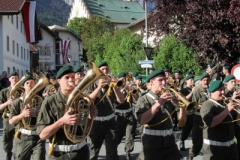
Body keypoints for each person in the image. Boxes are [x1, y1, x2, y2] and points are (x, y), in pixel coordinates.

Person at [37, 65, 97, 160]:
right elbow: (42, 135)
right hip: (60, 155)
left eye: (73, 77)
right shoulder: (49, 101)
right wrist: (62, 121)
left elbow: (84, 127)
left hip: (82, 152)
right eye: (67, 77)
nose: (71, 80)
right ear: (59, 81)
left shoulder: (81, 99)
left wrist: (89, 116)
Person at [135, 70, 185, 160]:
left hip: (170, 143)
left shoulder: (168, 98)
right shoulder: (144, 99)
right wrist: (158, 104)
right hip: (152, 144)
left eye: (165, 80)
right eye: (160, 80)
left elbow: (181, 122)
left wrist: (182, 106)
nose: (164, 83)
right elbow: (142, 120)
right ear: (152, 82)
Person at [84, 61, 125, 160]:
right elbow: (87, 101)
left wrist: (115, 87)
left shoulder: (111, 84)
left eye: (107, 69)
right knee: (93, 152)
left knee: (112, 153)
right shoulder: (91, 84)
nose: (105, 72)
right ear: (98, 71)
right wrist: (99, 87)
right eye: (103, 69)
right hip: (95, 123)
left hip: (110, 122)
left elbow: (121, 100)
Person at [9, 73, 46, 160]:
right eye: (27, 83)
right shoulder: (18, 102)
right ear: (23, 86)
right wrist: (22, 115)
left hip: (38, 137)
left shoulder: (40, 100)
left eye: (32, 83)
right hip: (23, 137)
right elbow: (11, 121)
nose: (30, 85)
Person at [201, 80, 240, 160]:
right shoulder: (207, 104)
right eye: (220, 90)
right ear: (212, 91)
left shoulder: (225, 104)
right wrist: (226, 111)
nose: (223, 92)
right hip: (215, 149)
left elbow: (238, 122)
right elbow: (211, 123)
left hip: (231, 148)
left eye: (223, 89)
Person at [0, 72, 22, 160]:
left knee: (19, 138)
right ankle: (8, 152)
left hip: (19, 118)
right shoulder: (4, 91)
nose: (15, 80)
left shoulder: (22, 91)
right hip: (8, 117)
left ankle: (17, 155)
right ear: (9, 79)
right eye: (13, 78)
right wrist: (7, 103)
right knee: (7, 137)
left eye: (16, 78)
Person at [115, 72, 137, 160]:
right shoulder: (115, 87)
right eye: (122, 78)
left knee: (130, 134)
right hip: (119, 114)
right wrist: (123, 89)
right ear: (119, 79)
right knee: (118, 135)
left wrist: (133, 92)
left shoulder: (130, 87)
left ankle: (128, 152)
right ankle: (113, 148)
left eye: (125, 78)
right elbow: (116, 102)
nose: (124, 80)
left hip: (129, 114)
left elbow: (136, 100)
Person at [188, 73, 210, 160]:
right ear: (201, 81)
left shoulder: (210, 90)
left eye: (207, 80)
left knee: (208, 140)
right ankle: (191, 155)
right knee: (197, 141)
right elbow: (194, 104)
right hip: (199, 117)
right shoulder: (197, 90)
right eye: (204, 80)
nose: (206, 82)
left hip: (208, 117)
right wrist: (201, 106)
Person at [224, 75, 240, 159]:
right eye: (232, 82)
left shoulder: (236, 91)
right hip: (228, 120)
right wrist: (233, 98)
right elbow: (223, 105)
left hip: (236, 118)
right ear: (226, 83)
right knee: (230, 142)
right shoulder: (224, 92)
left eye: (234, 82)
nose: (234, 84)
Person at [179, 74, 195, 151]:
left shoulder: (195, 89)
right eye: (191, 80)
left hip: (195, 110)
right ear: (186, 81)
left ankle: (195, 145)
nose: (192, 81)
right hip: (187, 111)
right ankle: (182, 140)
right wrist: (192, 92)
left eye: (193, 79)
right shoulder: (184, 90)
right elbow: (183, 99)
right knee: (187, 128)